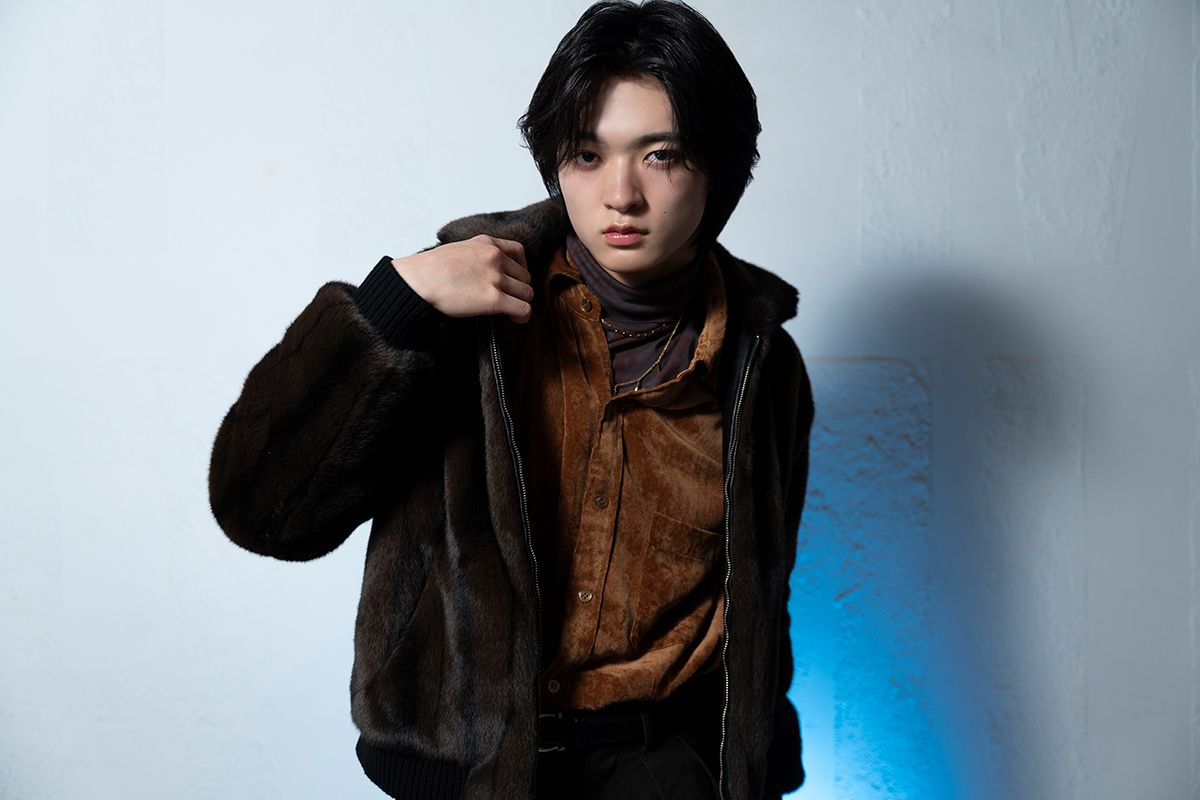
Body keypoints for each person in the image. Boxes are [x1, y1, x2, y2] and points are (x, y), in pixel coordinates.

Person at [208, 2, 813, 798]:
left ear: (719, 168)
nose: (620, 194)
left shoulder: (762, 362)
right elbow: (262, 511)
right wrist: (393, 304)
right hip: (467, 777)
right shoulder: (461, 318)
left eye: (660, 155)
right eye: (588, 154)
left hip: (667, 768)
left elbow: (760, 597)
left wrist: (752, 769)